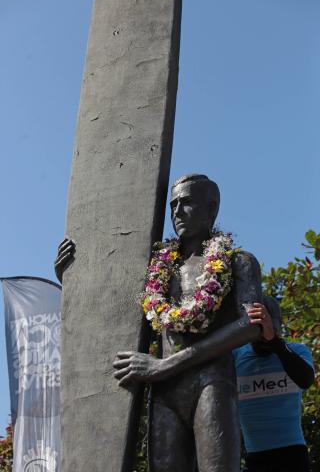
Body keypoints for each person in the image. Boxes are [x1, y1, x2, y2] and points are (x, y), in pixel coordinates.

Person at [55, 174, 263, 472]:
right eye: (173, 205)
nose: (177, 212)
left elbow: (252, 324)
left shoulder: (238, 261)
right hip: (165, 392)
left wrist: (164, 365)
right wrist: (69, 275)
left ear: (212, 208)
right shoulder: (158, 267)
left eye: (187, 202)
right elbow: (106, 299)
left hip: (211, 383)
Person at [233, 297, 315, 472]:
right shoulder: (236, 356)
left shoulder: (297, 351)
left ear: (279, 323)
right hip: (255, 458)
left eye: (270, 326)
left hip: (293, 455)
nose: (264, 334)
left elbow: (306, 380)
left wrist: (273, 339)